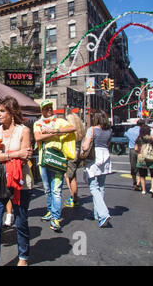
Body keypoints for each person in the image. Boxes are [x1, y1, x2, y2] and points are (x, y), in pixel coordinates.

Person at [0, 97, 33, 266]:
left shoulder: (24, 131)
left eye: (2, 111)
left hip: (20, 182)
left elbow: (25, 158)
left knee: (21, 222)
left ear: (12, 113)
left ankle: (23, 257)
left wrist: (5, 155)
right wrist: (14, 154)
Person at [33, 99, 76, 232]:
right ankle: (51, 211)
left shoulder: (59, 122)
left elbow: (73, 128)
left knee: (56, 190)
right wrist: (52, 133)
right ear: (42, 111)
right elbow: (37, 138)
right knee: (47, 189)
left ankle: (56, 218)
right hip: (43, 161)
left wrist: (53, 131)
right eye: (46, 108)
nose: (49, 110)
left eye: (50, 107)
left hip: (57, 160)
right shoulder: (37, 123)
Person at [83, 111, 113, 228]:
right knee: (101, 187)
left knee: (93, 187)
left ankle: (104, 213)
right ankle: (97, 213)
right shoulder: (109, 131)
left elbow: (86, 146)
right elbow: (108, 144)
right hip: (105, 157)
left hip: (94, 158)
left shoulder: (92, 130)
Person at [64, 113, 86, 208]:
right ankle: (73, 197)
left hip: (70, 155)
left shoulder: (70, 132)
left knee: (70, 177)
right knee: (73, 177)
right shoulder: (81, 131)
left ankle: (74, 198)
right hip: (77, 155)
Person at [134, 125, 153, 196]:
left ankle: (144, 190)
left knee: (142, 175)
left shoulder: (139, 138)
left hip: (141, 158)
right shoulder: (152, 138)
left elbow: (136, 149)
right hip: (151, 157)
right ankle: (152, 188)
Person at [125, 119, 146, 191]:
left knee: (133, 167)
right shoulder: (142, 131)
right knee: (141, 166)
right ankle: (139, 183)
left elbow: (126, 135)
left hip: (132, 149)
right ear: (143, 125)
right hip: (141, 150)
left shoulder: (130, 130)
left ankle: (134, 182)